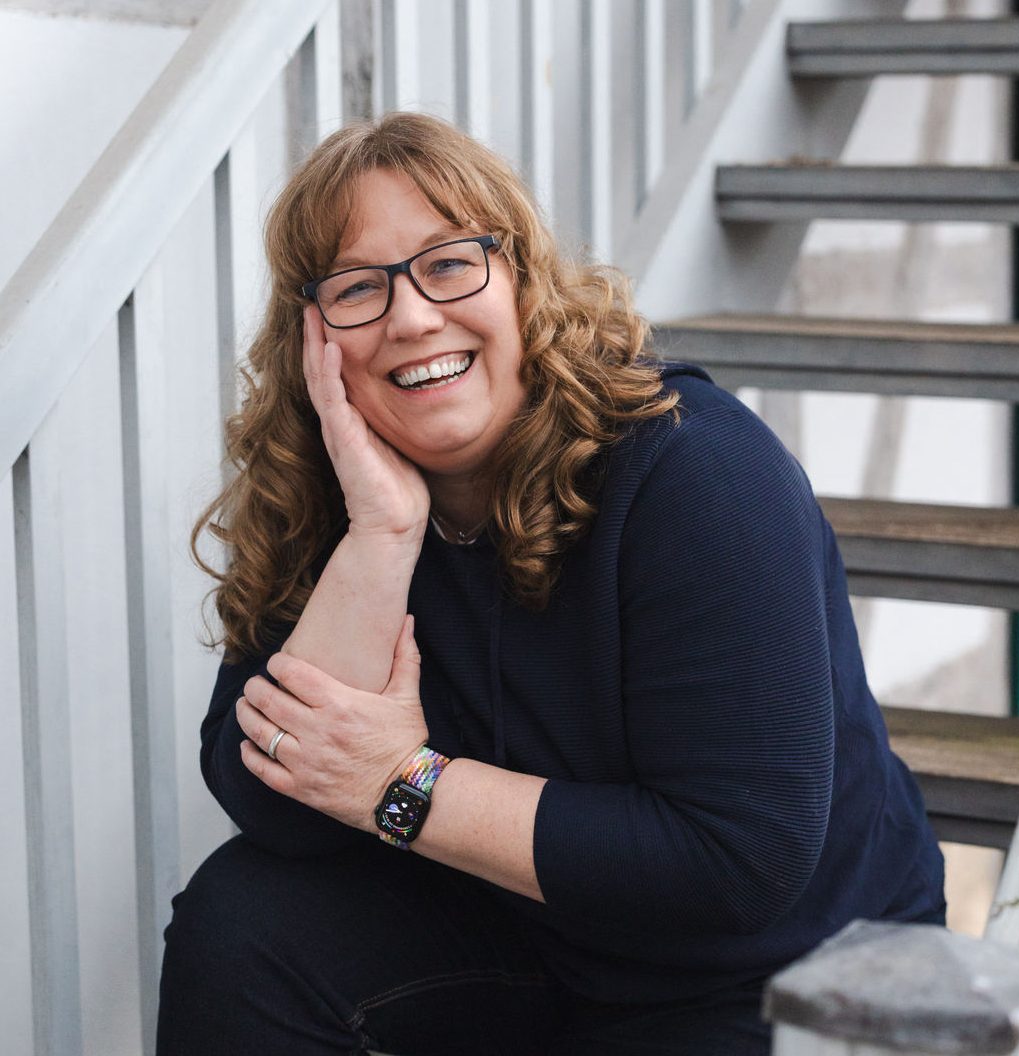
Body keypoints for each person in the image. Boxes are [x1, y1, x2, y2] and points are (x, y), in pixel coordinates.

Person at [156, 112, 945, 1056]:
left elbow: (740, 861)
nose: (412, 317)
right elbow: (269, 807)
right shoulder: (340, 490)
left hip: (780, 973)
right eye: (358, 287)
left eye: (450, 263)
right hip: (542, 937)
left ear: (524, 282)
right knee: (241, 926)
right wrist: (382, 535)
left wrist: (401, 784)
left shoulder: (696, 469)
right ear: (313, 337)